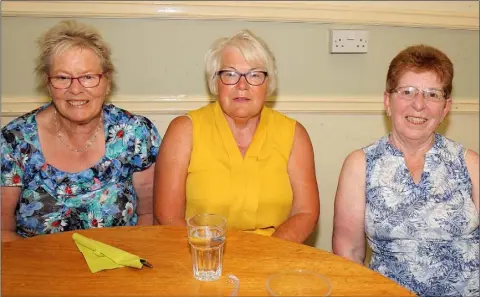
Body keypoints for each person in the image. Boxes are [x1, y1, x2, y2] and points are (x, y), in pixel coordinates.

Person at [332, 44, 479, 297]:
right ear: (387, 101)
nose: (419, 105)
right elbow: (349, 255)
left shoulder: (471, 163)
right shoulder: (360, 164)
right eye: (407, 91)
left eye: (433, 94)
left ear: (445, 108)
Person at [1, 20, 161, 242]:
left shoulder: (136, 133)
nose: (75, 89)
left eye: (88, 77)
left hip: (120, 266)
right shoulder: (13, 141)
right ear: (48, 84)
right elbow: (3, 231)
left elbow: (149, 215)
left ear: (107, 82)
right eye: (62, 78)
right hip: (40, 271)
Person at [153, 29, 319, 243]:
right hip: (201, 256)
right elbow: (167, 217)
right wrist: (213, 257)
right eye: (230, 74)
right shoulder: (184, 130)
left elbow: (305, 213)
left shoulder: (294, 134)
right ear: (215, 82)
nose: (242, 86)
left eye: (255, 75)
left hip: (275, 254)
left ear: (268, 84)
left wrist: (268, 255)